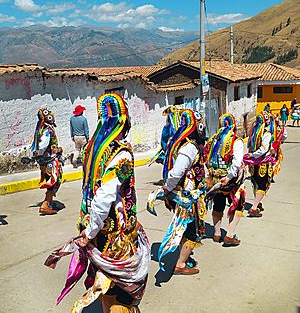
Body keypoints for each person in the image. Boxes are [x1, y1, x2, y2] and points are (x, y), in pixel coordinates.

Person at [45, 93, 150, 313]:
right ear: (124, 120)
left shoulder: (93, 149)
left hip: (98, 229)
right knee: (125, 287)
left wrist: (91, 229)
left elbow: (92, 193)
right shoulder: (120, 153)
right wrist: (91, 231)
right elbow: (104, 197)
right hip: (114, 234)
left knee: (107, 282)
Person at [148, 109, 207, 275]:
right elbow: (176, 172)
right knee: (192, 231)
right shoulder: (189, 147)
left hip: (184, 193)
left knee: (184, 227)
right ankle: (180, 264)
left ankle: (183, 256)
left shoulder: (180, 142)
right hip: (188, 197)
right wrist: (168, 187)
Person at [205, 113, 245, 246]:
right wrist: (228, 177)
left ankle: (217, 234)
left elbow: (208, 160)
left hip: (216, 179)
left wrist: (211, 174)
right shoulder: (236, 141)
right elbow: (237, 162)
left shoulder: (214, 140)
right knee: (237, 206)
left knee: (218, 205)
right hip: (231, 181)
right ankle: (229, 235)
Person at [31, 107, 63, 215]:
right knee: (53, 181)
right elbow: (42, 146)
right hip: (50, 161)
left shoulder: (41, 129)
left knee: (52, 180)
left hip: (46, 161)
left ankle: (49, 203)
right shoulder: (47, 131)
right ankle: (45, 205)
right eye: (50, 116)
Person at [244, 112, 273, 217]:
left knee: (255, 182)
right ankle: (254, 208)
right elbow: (263, 150)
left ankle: (257, 202)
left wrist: (251, 155)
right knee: (263, 184)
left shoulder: (253, 132)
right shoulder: (266, 133)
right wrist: (253, 155)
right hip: (262, 163)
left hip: (253, 163)